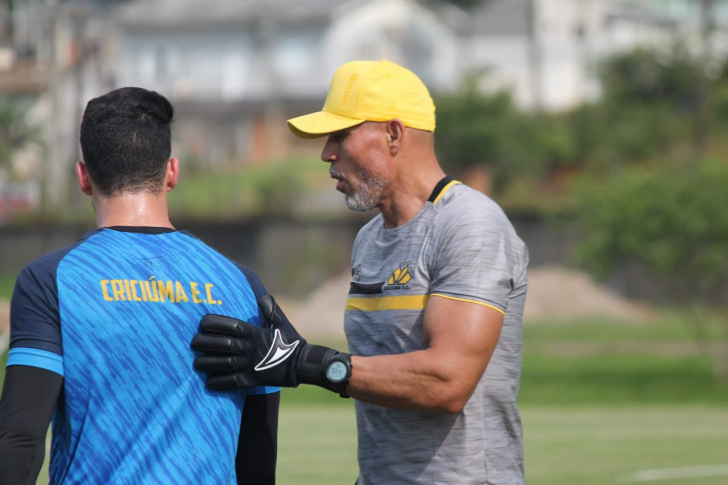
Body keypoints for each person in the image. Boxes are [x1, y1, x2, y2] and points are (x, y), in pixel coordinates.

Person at [193, 60, 529, 484]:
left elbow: (447, 381)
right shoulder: (369, 238)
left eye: (341, 135)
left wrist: (306, 363)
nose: (326, 153)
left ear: (393, 133)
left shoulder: (470, 225)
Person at [0, 87, 279, 484]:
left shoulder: (49, 280)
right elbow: (258, 453)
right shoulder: (244, 284)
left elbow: (20, 439)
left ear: (83, 177)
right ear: (171, 173)